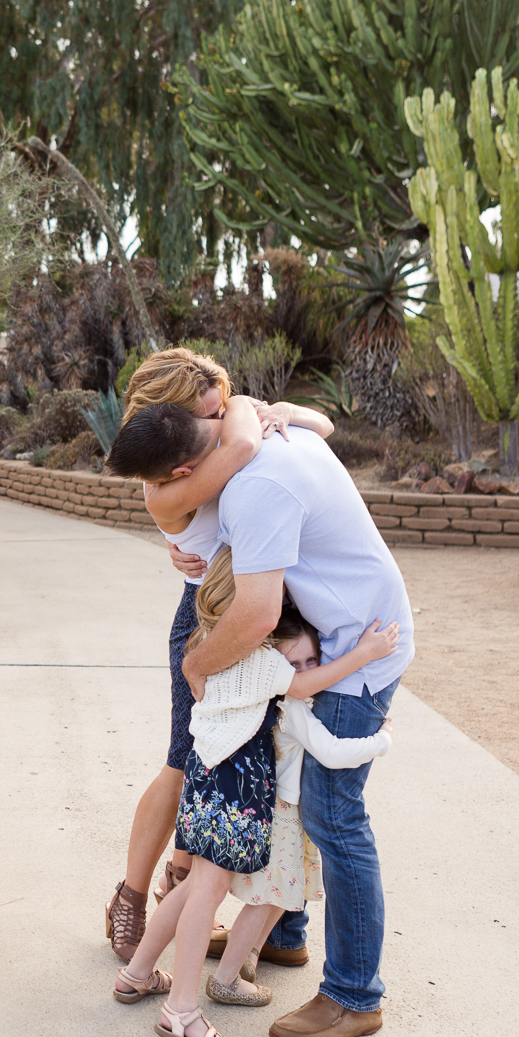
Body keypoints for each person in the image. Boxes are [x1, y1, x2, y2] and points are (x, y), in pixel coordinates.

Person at [115, 399, 414, 1037]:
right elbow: (313, 423)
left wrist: (196, 664)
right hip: (328, 643)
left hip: (352, 648)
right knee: (298, 812)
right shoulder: (255, 435)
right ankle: (280, 936)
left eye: (170, 485)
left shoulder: (255, 490)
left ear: (192, 465)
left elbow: (254, 615)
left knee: (334, 818)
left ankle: (354, 996)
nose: (170, 499)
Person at [103, 350, 333, 966]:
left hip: (265, 618)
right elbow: (241, 454)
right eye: (206, 413)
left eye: (222, 404)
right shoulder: (172, 475)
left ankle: (268, 922)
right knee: (186, 763)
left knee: (276, 769)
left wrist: (274, 409)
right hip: (210, 624)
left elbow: (320, 429)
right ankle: (131, 898)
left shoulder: (228, 421)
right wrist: (251, 420)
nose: (221, 415)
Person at [203, 607, 397, 1006]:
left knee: (283, 895)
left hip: (286, 813)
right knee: (267, 899)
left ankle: (249, 957)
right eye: (296, 664)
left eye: (313, 660)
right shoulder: (292, 709)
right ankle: (224, 980)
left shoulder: (286, 702)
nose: (307, 669)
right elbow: (331, 751)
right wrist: (383, 739)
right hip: (284, 817)